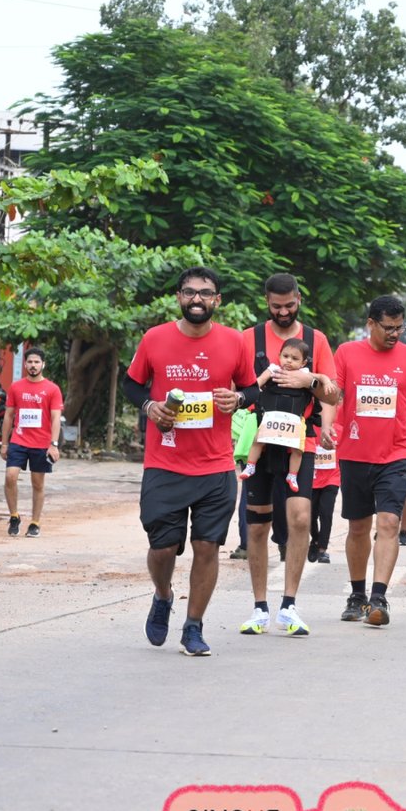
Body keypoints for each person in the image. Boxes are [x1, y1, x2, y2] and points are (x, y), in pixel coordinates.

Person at [122, 267, 258, 656]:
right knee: (163, 548)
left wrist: (239, 399)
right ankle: (163, 594)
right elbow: (132, 384)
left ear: (217, 300)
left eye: (205, 293)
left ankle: (193, 627)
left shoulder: (234, 341)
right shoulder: (155, 338)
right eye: (189, 292)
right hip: (165, 462)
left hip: (215, 466)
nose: (197, 299)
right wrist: (149, 406)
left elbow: (251, 388)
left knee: (207, 546)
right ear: (179, 297)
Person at [236, 273, 338, 639]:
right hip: (261, 443)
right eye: (276, 306)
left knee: (300, 518)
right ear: (267, 302)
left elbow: (333, 393)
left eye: (289, 305)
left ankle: (289, 604)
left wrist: (310, 382)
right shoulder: (248, 339)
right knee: (257, 526)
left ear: (299, 300)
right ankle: (259, 607)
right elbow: (237, 389)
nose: (283, 311)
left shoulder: (316, 339)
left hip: (299, 445)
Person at [333, 295, 406, 627]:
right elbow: (335, 397)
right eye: (388, 328)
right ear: (371, 324)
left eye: (400, 327)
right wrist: (330, 427)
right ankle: (357, 595)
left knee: (389, 523)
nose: (395, 334)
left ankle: (378, 598)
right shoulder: (346, 353)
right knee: (358, 527)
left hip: (396, 454)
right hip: (355, 454)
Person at [240, 338, 319, 496]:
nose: (289, 361)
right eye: (285, 356)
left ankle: (292, 475)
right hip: (272, 418)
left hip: (294, 421)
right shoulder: (273, 369)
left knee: (298, 450)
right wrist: (252, 390)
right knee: (257, 441)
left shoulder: (304, 374)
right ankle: (250, 466)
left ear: (303, 363)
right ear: (279, 355)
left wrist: (324, 381)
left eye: (295, 358)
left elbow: (320, 378)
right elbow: (258, 382)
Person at [2, 346, 64, 538]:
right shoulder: (16, 387)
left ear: (43, 364)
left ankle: (35, 523)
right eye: (30, 361)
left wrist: (53, 444)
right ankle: (14, 516)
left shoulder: (52, 389)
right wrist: (4, 443)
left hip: (41, 444)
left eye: (37, 362)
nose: (33, 365)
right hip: (18, 440)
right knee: (10, 476)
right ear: (25, 364)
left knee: (37, 483)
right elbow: (8, 416)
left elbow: (55, 418)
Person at [229, 405, 256, 560]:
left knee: (248, 494)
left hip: (250, 442)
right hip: (278, 437)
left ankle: (246, 545)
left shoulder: (250, 393)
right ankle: (284, 542)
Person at [308, 435, 339, 565]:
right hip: (312, 478)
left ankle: (322, 549)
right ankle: (315, 540)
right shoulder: (310, 426)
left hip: (332, 477)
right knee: (310, 515)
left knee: (326, 513)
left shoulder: (339, 428)